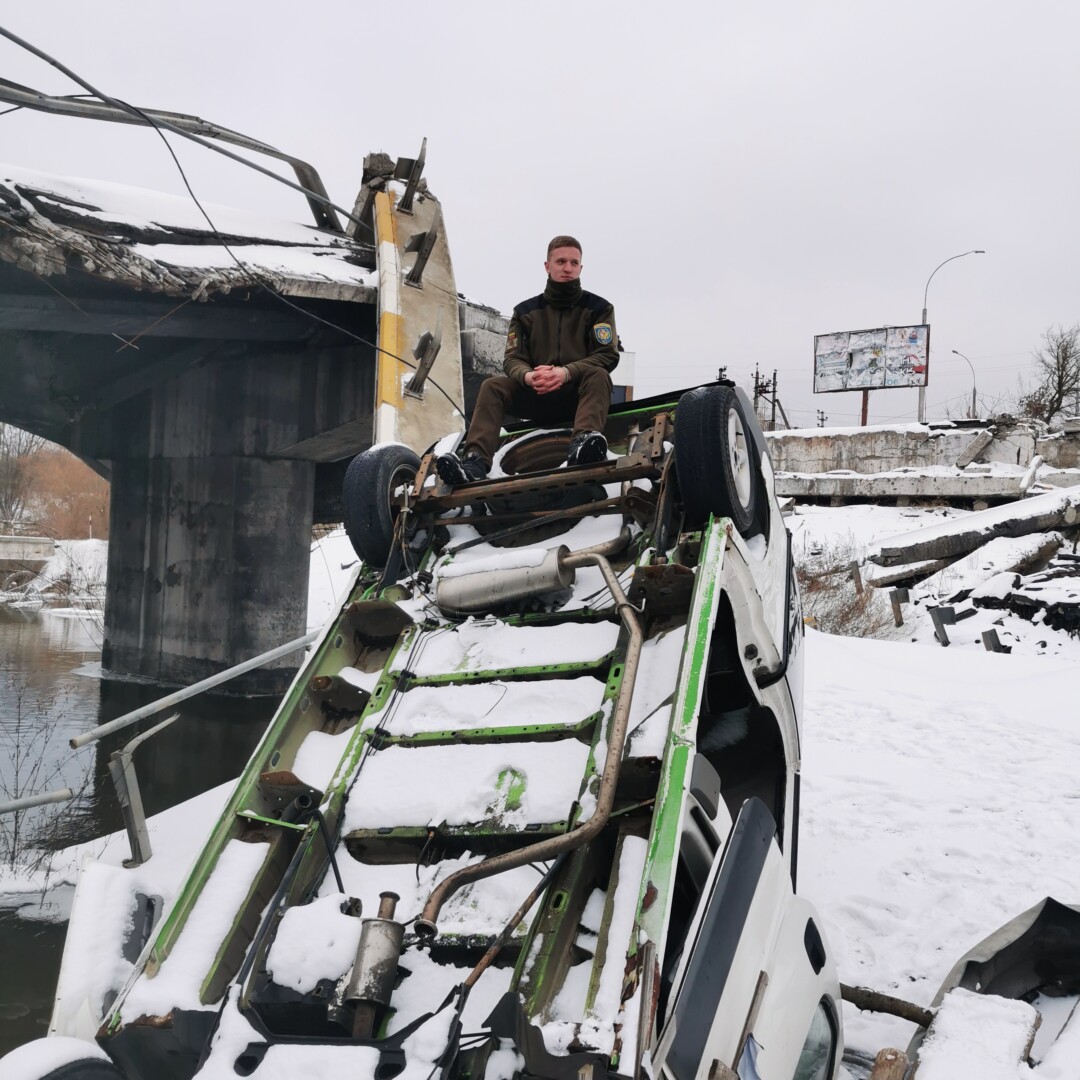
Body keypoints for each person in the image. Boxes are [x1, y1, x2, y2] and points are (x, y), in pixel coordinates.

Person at [436, 235, 619, 485]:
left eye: (574, 263)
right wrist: (529, 376)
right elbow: (513, 359)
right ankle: (475, 462)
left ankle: (584, 445)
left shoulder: (599, 308)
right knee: (493, 386)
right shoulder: (524, 312)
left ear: (581, 267)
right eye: (561, 261)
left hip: (578, 398)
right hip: (537, 394)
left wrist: (565, 373)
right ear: (547, 266)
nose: (568, 268)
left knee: (599, 375)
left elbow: (607, 354)